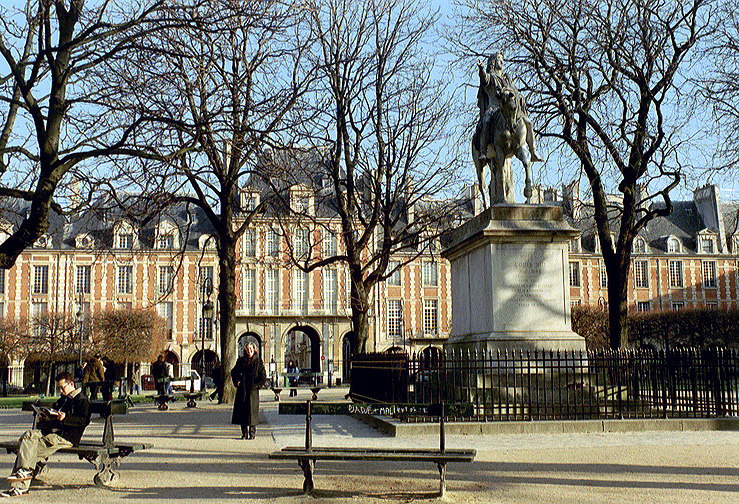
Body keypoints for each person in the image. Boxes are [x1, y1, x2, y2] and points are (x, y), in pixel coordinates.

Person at [2, 371, 91, 498]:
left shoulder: (82, 400)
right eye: (59, 388)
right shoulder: (65, 399)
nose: (60, 391)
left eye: (62, 387)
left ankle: (21, 482)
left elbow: (83, 421)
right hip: (53, 433)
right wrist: (46, 416)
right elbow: (55, 411)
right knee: (28, 436)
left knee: (28, 447)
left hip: (65, 437)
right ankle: (24, 472)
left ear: (71, 384)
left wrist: (65, 418)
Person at [477, 52, 542, 162]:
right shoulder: (491, 77)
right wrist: (481, 69)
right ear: (493, 62)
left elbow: (515, 92)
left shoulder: (507, 79)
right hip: (493, 108)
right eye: (499, 59)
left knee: (528, 122)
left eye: (502, 59)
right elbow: (484, 78)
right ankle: (483, 151)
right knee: (486, 121)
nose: (502, 61)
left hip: (507, 108)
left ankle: (533, 151)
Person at [231, 342, 266, 440]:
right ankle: (244, 433)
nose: (249, 351)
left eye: (251, 349)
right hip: (242, 389)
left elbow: (263, 376)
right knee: (242, 411)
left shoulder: (258, 361)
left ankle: (252, 433)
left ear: (254, 350)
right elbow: (234, 372)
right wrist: (237, 380)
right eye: (247, 349)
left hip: (252, 391)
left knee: (252, 412)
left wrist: (257, 385)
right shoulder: (241, 360)